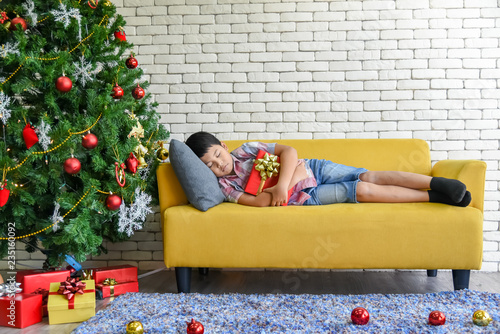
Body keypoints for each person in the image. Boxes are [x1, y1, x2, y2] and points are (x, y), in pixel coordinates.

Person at [185, 131, 471, 208]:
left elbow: (289, 152)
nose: (218, 165)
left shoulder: (245, 150)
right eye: (208, 166)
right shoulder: (225, 187)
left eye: (216, 155)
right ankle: (433, 199)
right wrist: (292, 178)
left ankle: (436, 183)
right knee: (363, 191)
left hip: (316, 170)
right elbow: (259, 202)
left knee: (370, 176)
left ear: (223, 145)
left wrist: (284, 184)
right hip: (308, 197)